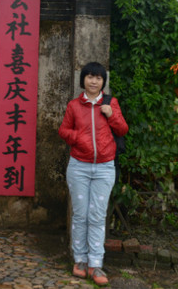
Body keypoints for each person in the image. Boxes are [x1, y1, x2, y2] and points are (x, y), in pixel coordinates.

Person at [58, 61, 128, 286]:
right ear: (83, 80)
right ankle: (79, 260)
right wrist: (78, 138)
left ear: (103, 82)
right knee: (80, 215)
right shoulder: (73, 106)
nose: (93, 81)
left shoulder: (111, 103)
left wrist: (111, 115)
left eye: (98, 77)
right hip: (78, 166)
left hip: (105, 168)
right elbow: (63, 130)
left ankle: (96, 263)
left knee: (97, 216)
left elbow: (123, 129)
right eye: (89, 76)